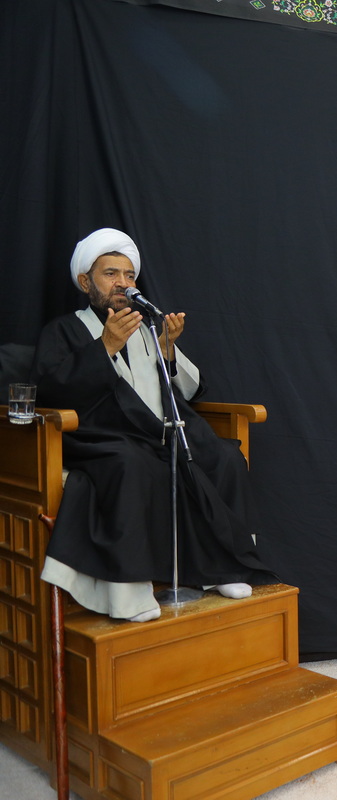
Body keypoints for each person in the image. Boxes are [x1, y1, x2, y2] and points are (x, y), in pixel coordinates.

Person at [33, 228, 272, 622]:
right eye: (111, 274)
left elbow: (185, 393)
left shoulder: (145, 331)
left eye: (129, 276)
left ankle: (226, 568)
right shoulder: (64, 330)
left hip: (155, 431)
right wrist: (105, 347)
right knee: (132, 463)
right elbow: (51, 392)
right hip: (99, 435)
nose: (123, 284)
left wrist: (166, 351)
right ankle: (129, 593)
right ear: (84, 282)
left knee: (223, 456)